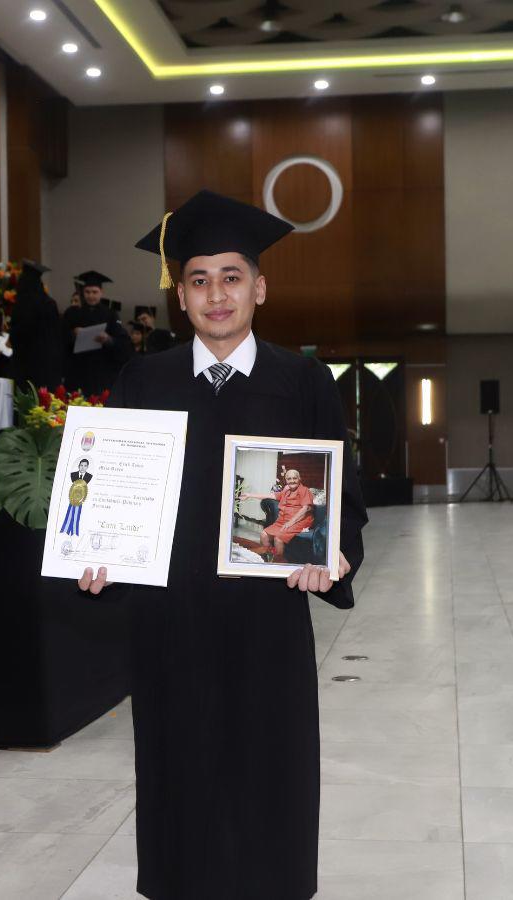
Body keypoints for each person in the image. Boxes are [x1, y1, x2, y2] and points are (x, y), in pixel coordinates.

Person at [78, 190, 368, 900]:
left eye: (232, 277)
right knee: (180, 772)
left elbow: (343, 500)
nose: (217, 294)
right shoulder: (144, 379)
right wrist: (98, 553)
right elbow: (115, 489)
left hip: (266, 621)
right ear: (180, 296)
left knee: (272, 770)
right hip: (170, 620)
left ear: (259, 288)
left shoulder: (301, 383)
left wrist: (334, 556)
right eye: (200, 279)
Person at [62, 270, 133, 395]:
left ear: (101, 293)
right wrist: (73, 334)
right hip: (79, 369)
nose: (91, 296)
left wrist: (108, 339)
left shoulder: (110, 314)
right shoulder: (73, 313)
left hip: (101, 369)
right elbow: (60, 339)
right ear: (83, 293)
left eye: (95, 292)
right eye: (87, 292)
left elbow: (122, 342)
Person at [239, 468, 315, 562]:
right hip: (283, 520)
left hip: (299, 521)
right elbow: (270, 496)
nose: (292, 481)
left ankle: (278, 561)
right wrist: (250, 495)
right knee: (264, 534)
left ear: (299, 479)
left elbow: (306, 508)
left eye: (294, 478)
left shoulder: (304, 490)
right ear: (286, 480)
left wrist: (290, 523)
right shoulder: (286, 491)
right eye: (289, 479)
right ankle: (269, 556)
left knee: (278, 538)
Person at [9, 259, 63, 390]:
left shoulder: (20, 304)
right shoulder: (49, 304)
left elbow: (15, 337)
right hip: (46, 367)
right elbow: (57, 336)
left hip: (23, 366)